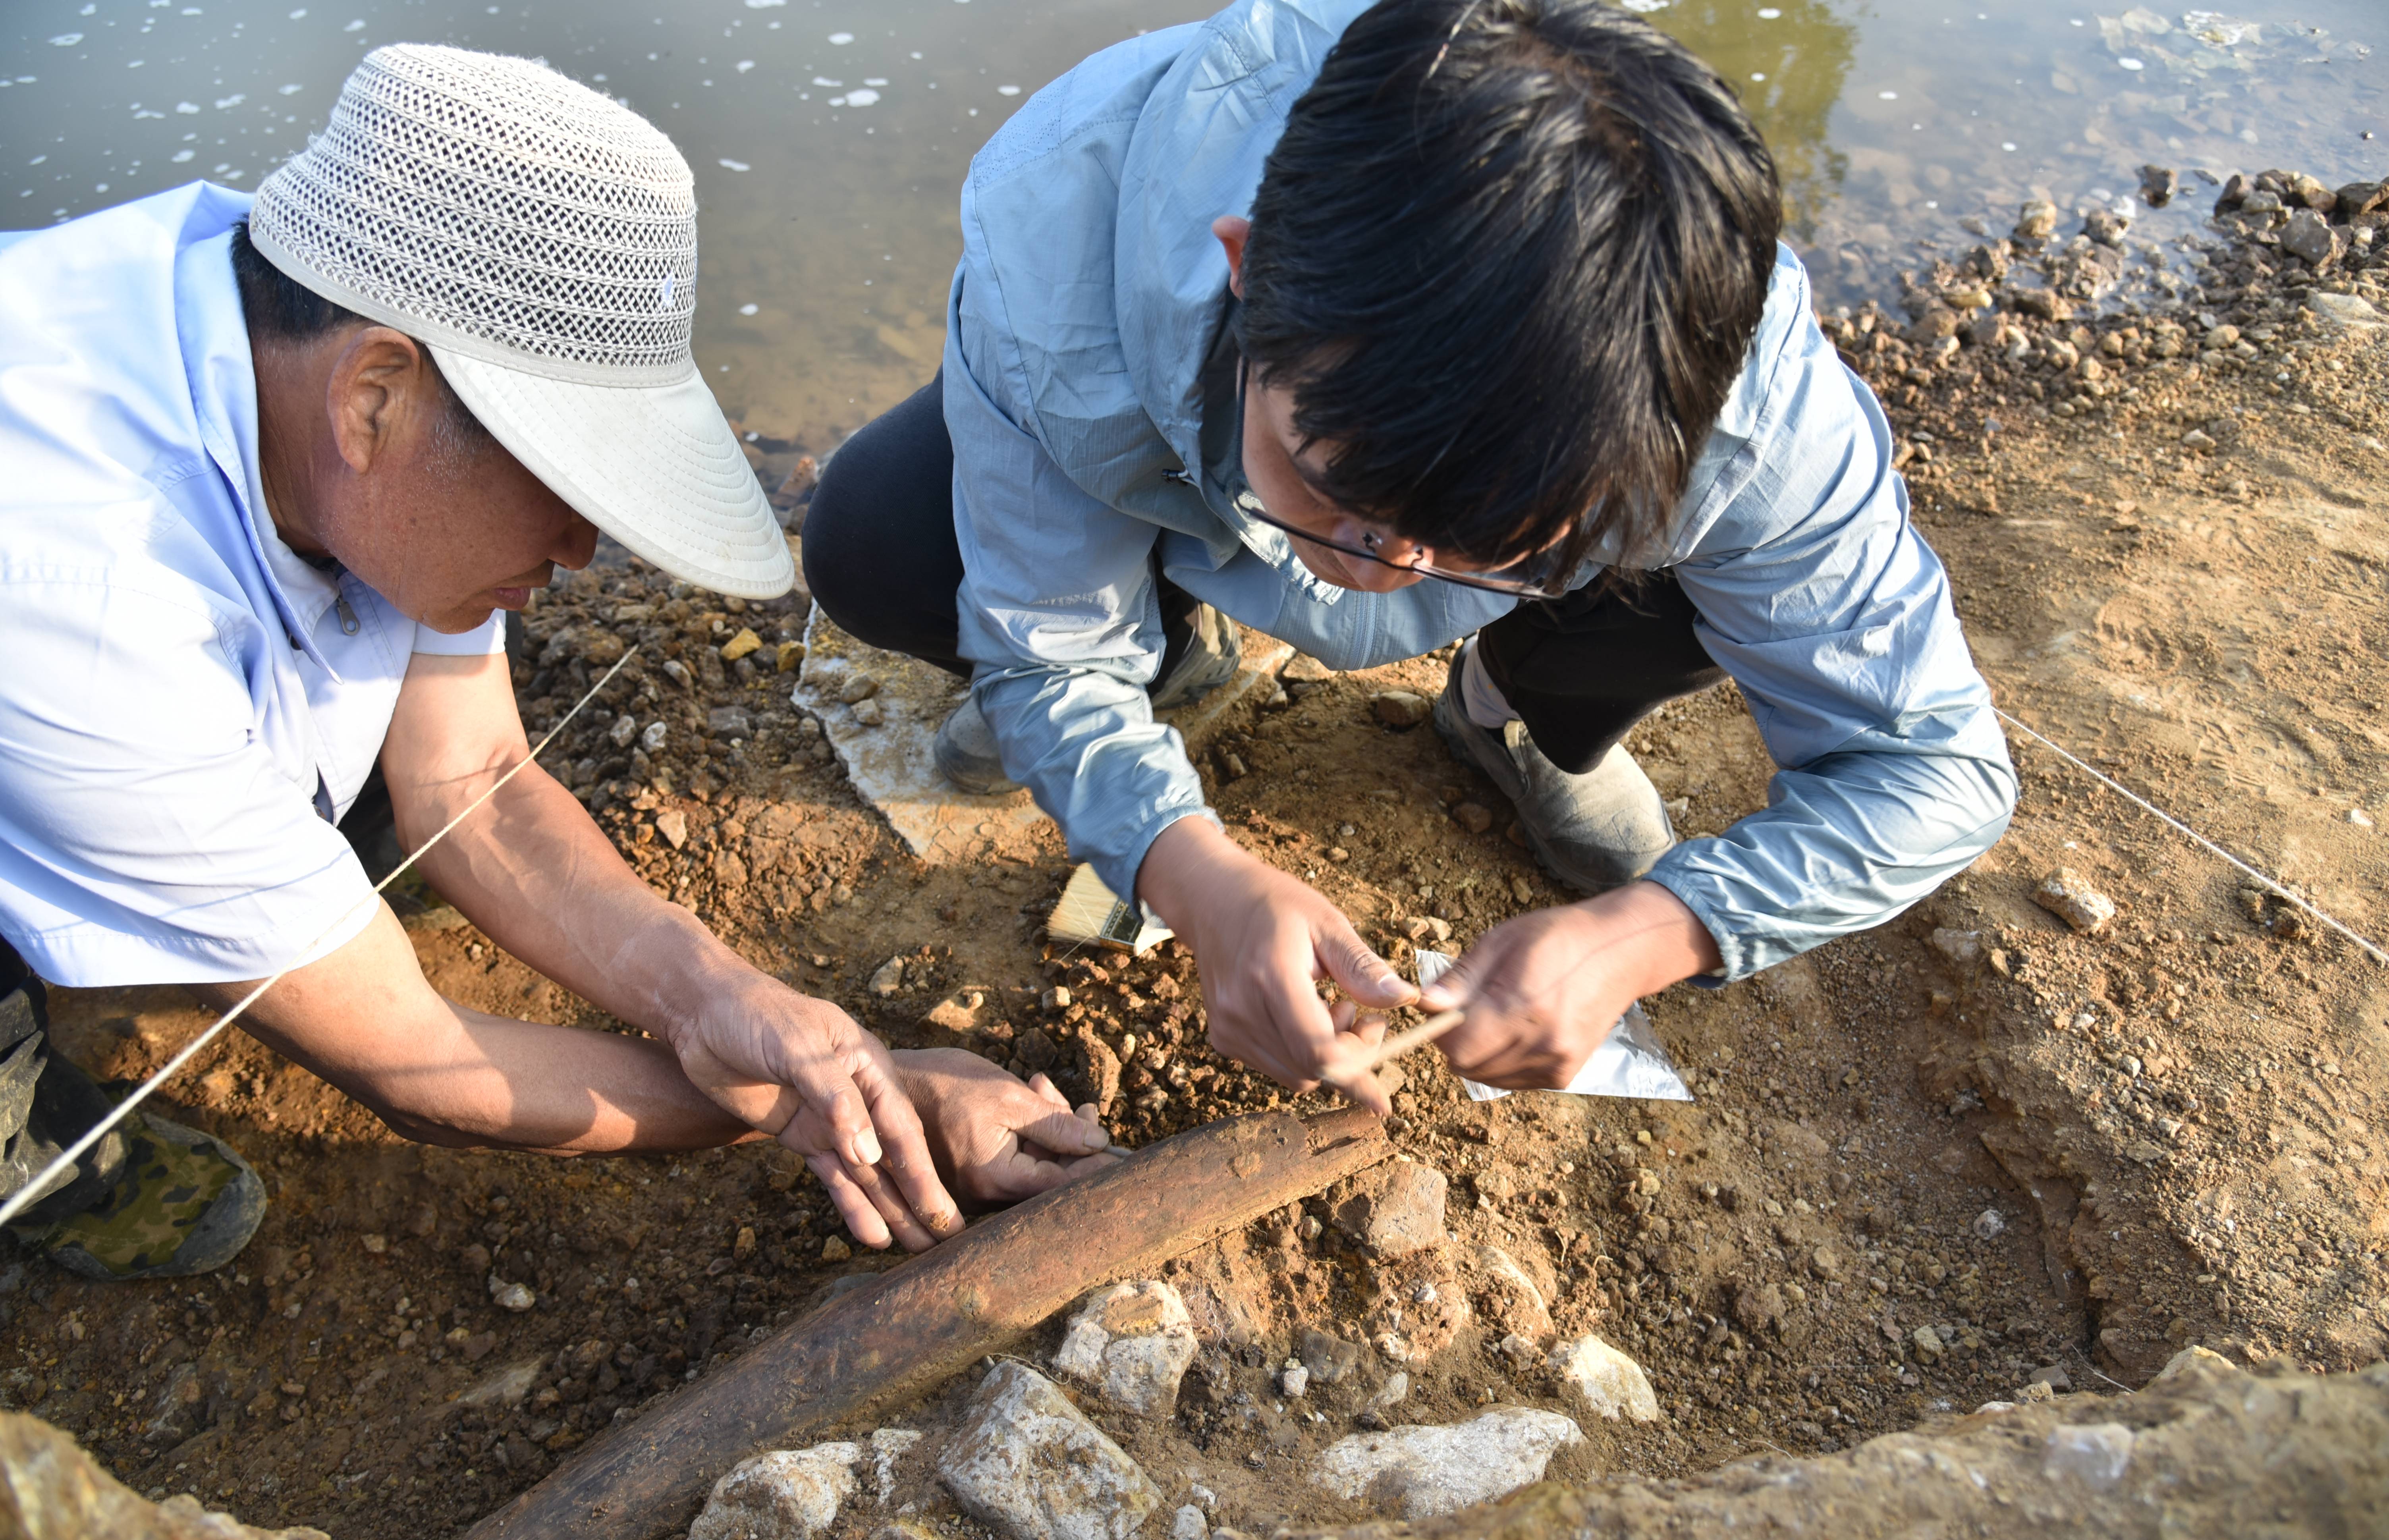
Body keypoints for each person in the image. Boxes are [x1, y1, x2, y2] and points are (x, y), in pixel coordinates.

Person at [0, 44, 1107, 1282]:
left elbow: (470, 779)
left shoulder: (323, 343)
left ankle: (242, 863)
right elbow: (410, 1061)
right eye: (563, 481)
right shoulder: (80, 602)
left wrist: (717, 995)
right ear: (374, 399)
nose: (586, 547)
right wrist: (867, 1100)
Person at [803, 0, 2017, 1108]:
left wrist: (1648, 932)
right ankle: (1173, 660)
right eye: (1333, 497)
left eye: (1490, 545)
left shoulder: (1743, 410)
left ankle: (1521, 713)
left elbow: (1932, 767)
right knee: (880, 542)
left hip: (1570, 545)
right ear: (1243, 273)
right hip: (1166, 486)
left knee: (1709, 573)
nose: (1379, 575)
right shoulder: (1050, 242)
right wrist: (1189, 873)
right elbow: (1044, 650)